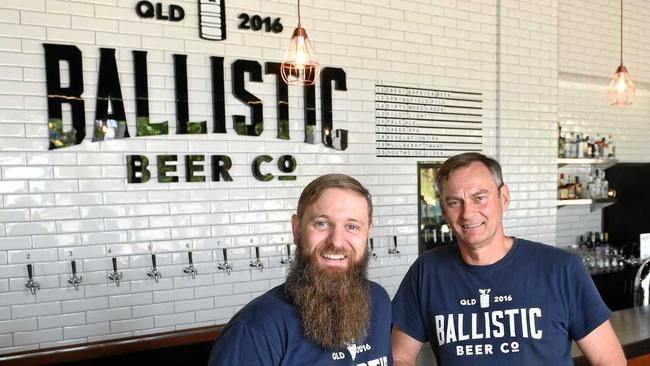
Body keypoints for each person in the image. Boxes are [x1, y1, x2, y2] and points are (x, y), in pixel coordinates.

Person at [391, 152, 626, 366]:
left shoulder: (561, 269)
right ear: (443, 209)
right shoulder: (427, 271)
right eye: (455, 202)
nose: (468, 213)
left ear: (503, 198)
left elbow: (609, 360)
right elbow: (399, 355)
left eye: (479, 197)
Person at [208, 174, 391, 365]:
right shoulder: (256, 328)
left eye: (352, 226)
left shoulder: (378, 301)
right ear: (297, 229)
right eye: (322, 223)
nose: (336, 241)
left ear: (367, 232)